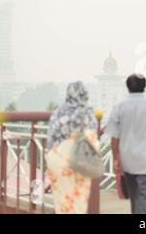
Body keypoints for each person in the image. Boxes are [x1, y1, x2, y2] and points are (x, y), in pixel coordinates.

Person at [106, 74, 146, 214]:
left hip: (128, 161)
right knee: (142, 200)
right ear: (144, 86)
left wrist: (116, 158)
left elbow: (114, 138)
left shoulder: (119, 107)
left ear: (128, 87)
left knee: (136, 199)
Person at [46, 81, 99, 214]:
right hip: (78, 162)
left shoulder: (58, 112)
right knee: (78, 201)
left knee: (62, 201)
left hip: (56, 163)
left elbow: (51, 139)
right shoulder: (86, 111)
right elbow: (92, 139)